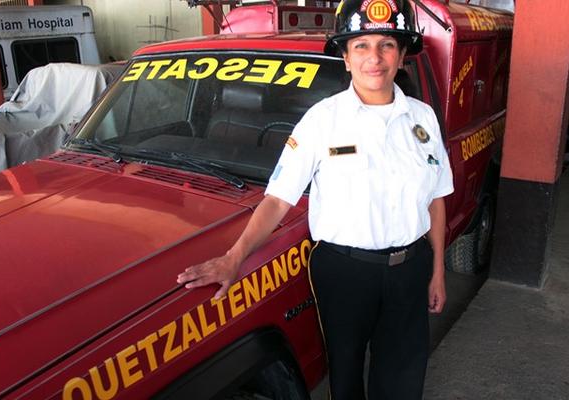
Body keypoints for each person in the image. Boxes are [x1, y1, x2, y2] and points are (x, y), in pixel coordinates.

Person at [177, 0, 454, 398]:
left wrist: (438, 271)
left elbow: (437, 198)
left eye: (386, 45)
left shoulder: (423, 118)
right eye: (360, 46)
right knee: (345, 376)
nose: (373, 58)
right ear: (344, 57)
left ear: (402, 54)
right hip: (344, 272)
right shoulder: (323, 120)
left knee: (403, 378)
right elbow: (278, 199)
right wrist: (233, 257)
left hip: (411, 269)